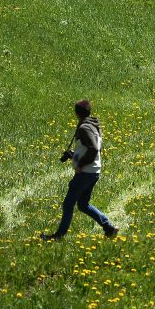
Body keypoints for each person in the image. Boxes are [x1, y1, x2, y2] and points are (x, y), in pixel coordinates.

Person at [41, 100, 119, 241]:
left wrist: (81, 163)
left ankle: (59, 236)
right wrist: (74, 155)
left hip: (85, 172)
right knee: (83, 205)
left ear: (77, 113)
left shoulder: (84, 128)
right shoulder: (94, 126)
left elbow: (93, 148)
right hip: (94, 171)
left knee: (68, 203)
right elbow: (90, 147)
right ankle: (109, 228)